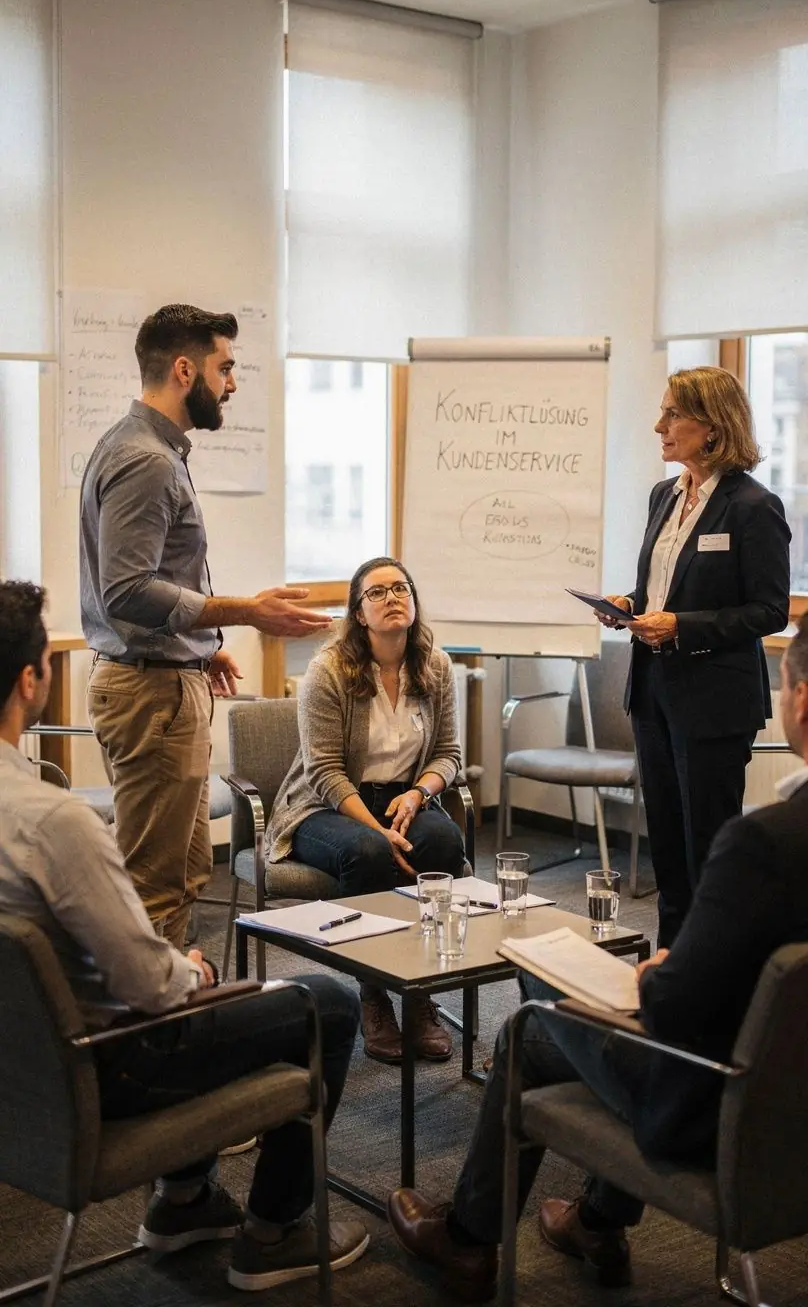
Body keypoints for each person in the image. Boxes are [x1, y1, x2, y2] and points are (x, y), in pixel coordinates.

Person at [387, 610, 808, 1303]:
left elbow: (673, 1003)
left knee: (533, 1027)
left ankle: (467, 1241)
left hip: (721, 1103)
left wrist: (654, 975)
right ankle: (596, 1221)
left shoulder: (762, 844)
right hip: (798, 1100)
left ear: (798, 701)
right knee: (578, 1028)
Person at [0, 579, 367, 1291]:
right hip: (107, 1065)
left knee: (200, 978)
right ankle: (274, 1231)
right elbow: (149, 987)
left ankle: (186, 1200)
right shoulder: (53, 823)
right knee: (326, 1003)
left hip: (22, 1072)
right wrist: (191, 974)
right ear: (30, 679)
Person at [80, 304, 331, 950]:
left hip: (166, 678)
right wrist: (246, 611)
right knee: (153, 882)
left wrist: (200, 646)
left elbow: (160, 578)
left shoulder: (149, 448)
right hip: (149, 695)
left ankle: (170, 1012)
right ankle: (148, 1035)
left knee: (185, 869)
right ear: (185, 368)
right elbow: (126, 590)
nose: (233, 383)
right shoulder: (147, 460)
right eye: (226, 367)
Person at [599, 365, 790, 946]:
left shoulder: (754, 506)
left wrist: (681, 626)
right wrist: (629, 605)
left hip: (714, 699)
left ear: (711, 426)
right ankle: (667, 965)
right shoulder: (664, 494)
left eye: (672, 414)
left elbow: (769, 611)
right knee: (666, 845)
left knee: (707, 846)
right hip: (653, 691)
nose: (660, 426)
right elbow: (664, 589)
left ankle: (713, 973)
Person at [266, 555, 466, 1065]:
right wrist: (380, 829)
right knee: (369, 851)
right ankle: (375, 993)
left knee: (443, 842)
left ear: (414, 603)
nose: (392, 598)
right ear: (359, 613)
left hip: (403, 796)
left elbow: (449, 754)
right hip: (323, 806)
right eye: (376, 593)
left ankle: (419, 994)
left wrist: (420, 793)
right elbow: (323, 772)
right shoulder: (328, 671)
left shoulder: (435, 666)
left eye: (400, 588)